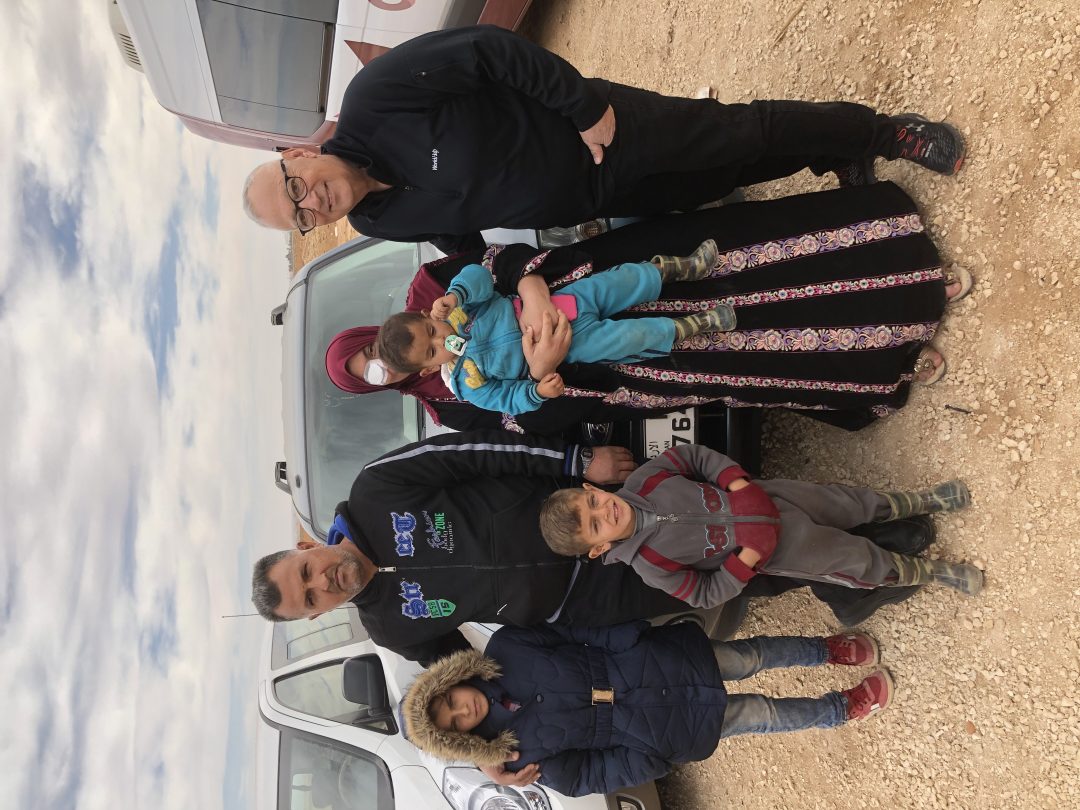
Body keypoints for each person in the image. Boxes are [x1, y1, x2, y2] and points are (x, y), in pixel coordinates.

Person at [242, 25, 965, 253]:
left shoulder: (375, 98)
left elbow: (491, 51)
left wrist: (584, 109)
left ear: (296, 153)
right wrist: (490, 275)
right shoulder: (375, 221)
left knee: (738, 131)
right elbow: (453, 230)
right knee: (726, 174)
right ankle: (834, 151)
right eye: (299, 217)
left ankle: (886, 131)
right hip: (599, 197)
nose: (312, 203)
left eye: (294, 188)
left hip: (602, 130)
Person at [327, 182, 971, 432]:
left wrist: (531, 290)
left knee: (744, 256)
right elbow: (524, 420)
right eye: (373, 376)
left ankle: (906, 270)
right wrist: (545, 373)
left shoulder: (432, 295)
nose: (381, 365)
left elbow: (498, 260)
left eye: (367, 355)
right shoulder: (449, 405)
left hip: (585, 281)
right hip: (619, 370)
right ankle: (890, 357)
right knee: (754, 361)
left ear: (371, 334)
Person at [250, 430, 692, 666]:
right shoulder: (391, 629)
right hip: (590, 598)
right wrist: (485, 748)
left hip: (587, 509)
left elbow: (474, 451)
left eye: (306, 571)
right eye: (311, 598)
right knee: (708, 582)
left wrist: (576, 459)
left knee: (705, 508)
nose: (322, 582)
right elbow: (467, 677)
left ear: (305, 546)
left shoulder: (376, 488)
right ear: (317, 615)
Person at [400, 620, 894, 797]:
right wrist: (648, 758)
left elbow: (571, 630)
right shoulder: (516, 757)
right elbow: (585, 776)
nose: (462, 710)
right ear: (459, 738)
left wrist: (629, 636)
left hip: (651, 661)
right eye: (455, 722)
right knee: (760, 714)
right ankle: (841, 708)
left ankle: (826, 650)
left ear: (451, 681)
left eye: (450, 700)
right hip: (657, 727)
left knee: (749, 656)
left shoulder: (507, 646)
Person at [540, 444, 983, 608]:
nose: (605, 511)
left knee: (851, 503)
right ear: (598, 549)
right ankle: (928, 572)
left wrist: (736, 483)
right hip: (781, 549)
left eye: (594, 501)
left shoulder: (646, 478)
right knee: (855, 561)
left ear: (591, 487)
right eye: (595, 526)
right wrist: (747, 559)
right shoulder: (651, 566)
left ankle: (924, 500)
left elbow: (693, 457)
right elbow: (704, 594)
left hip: (771, 497)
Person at [376, 241, 737, 414]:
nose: (442, 339)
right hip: (568, 345)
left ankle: (679, 267)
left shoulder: (458, 309)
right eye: (432, 351)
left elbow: (479, 276)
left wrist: (455, 295)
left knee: (622, 281)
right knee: (630, 339)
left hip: (562, 302)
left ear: (427, 314)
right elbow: (507, 400)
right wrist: (536, 391)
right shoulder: (467, 384)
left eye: (432, 331)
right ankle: (693, 325)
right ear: (429, 368)